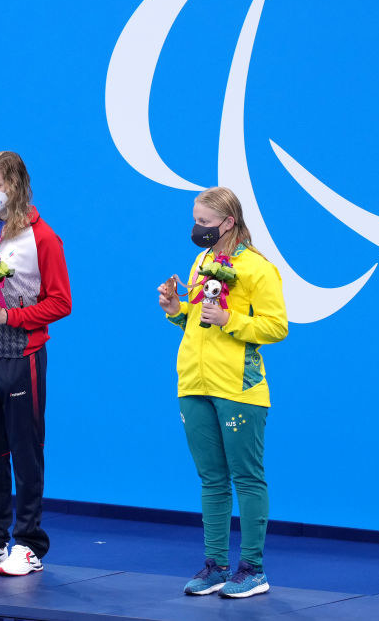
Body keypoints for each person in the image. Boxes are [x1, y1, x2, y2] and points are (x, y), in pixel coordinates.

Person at [157, 187, 287, 599]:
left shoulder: (258, 269)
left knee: (247, 477)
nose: (198, 229)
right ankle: (216, 565)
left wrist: (231, 318)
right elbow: (198, 323)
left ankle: (253, 569)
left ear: (228, 222)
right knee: (211, 479)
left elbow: (276, 326)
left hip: (238, 386)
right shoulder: (202, 261)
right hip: (193, 382)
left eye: (205, 223)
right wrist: (176, 309)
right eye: (195, 220)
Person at [0, 151, 72, 576]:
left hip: (21, 357)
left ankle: (27, 543)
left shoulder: (43, 238)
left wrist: (13, 318)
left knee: (24, 451)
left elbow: (62, 302)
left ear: (18, 186)